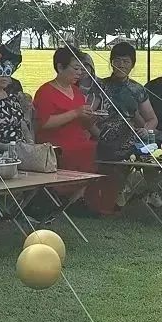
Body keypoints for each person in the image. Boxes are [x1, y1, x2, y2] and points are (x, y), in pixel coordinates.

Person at [33, 45, 116, 215]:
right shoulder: (45, 92)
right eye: (76, 68)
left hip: (78, 138)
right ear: (60, 67)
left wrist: (90, 118)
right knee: (91, 151)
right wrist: (75, 113)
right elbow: (44, 123)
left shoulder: (76, 92)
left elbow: (82, 123)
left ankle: (88, 198)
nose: (80, 73)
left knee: (106, 150)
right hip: (55, 142)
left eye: (82, 69)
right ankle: (74, 199)